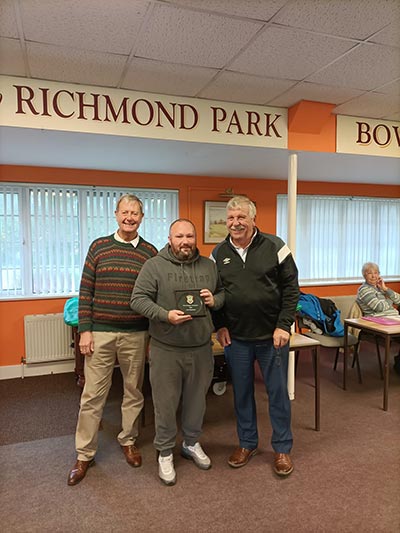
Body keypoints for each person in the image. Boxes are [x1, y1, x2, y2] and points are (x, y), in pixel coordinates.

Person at [67, 193, 157, 486]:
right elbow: (86, 290)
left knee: (134, 391)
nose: (129, 217)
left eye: (135, 213)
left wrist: (151, 336)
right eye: (125, 212)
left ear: (142, 218)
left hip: (136, 333)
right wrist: (85, 329)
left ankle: (128, 440)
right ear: (116, 215)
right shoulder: (99, 247)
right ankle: (84, 453)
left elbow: (154, 295)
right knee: (93, 395)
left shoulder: (150, 252)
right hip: (101, 332)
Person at [130, 219, 224, 486]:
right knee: (165, 405)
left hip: (200, 349)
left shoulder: (209, 266)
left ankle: (191, 443)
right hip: (165, 349)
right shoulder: (154, 265)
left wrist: (214, 300)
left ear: (195, 239)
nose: (185, 241)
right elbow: (137, 299)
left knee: (197, 402)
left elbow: (223, 295)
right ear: (170, 239)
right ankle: (165, 451)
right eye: (179, 236)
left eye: (190, 236)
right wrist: (164, 315)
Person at [211, 196, 299, 477]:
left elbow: (291, 289)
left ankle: (282, 448)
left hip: (272, 338)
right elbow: (216, 294)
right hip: (236, 338)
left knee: (277, 394)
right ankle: (247, 443)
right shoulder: (219, 253)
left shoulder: (276, 246)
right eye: (231, 218)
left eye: (241, 217)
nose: (235, 223)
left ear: (253, 219)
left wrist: (284, 325)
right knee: (243, 395)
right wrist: (220, 326)